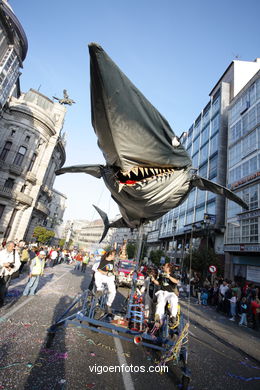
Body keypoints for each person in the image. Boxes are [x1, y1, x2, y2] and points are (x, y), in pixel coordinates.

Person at [0, 241, 21, 307]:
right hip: (0, 272)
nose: (13, 247)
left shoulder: (15, 253)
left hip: (8, 273)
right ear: (7, 246)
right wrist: (3, 264)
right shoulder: (2, 252)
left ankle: (1, 302)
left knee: (4, 289)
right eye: (12, 246)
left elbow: (18, 264)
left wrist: (12, 268)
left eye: (13, 246)